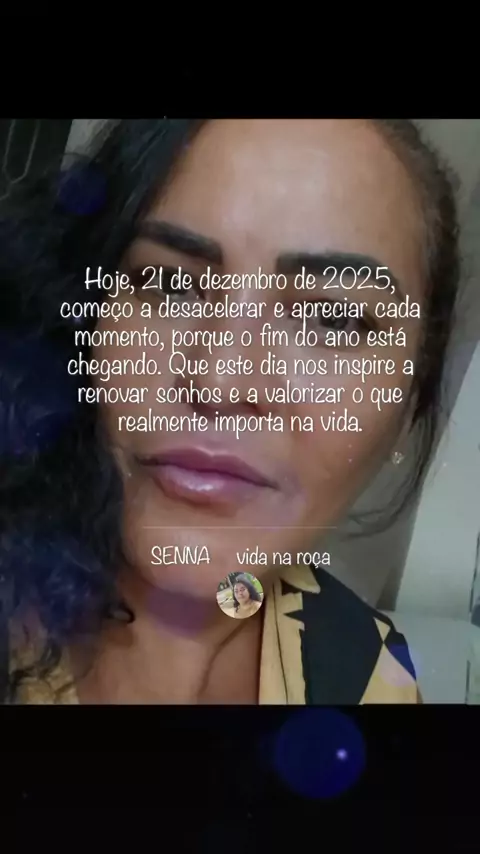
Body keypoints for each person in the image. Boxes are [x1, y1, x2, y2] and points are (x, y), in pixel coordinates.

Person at [0, 119, 459, 704]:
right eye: (169, 284)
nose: (219, 381)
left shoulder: (373, 677)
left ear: (410, 402)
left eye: (332, 318)